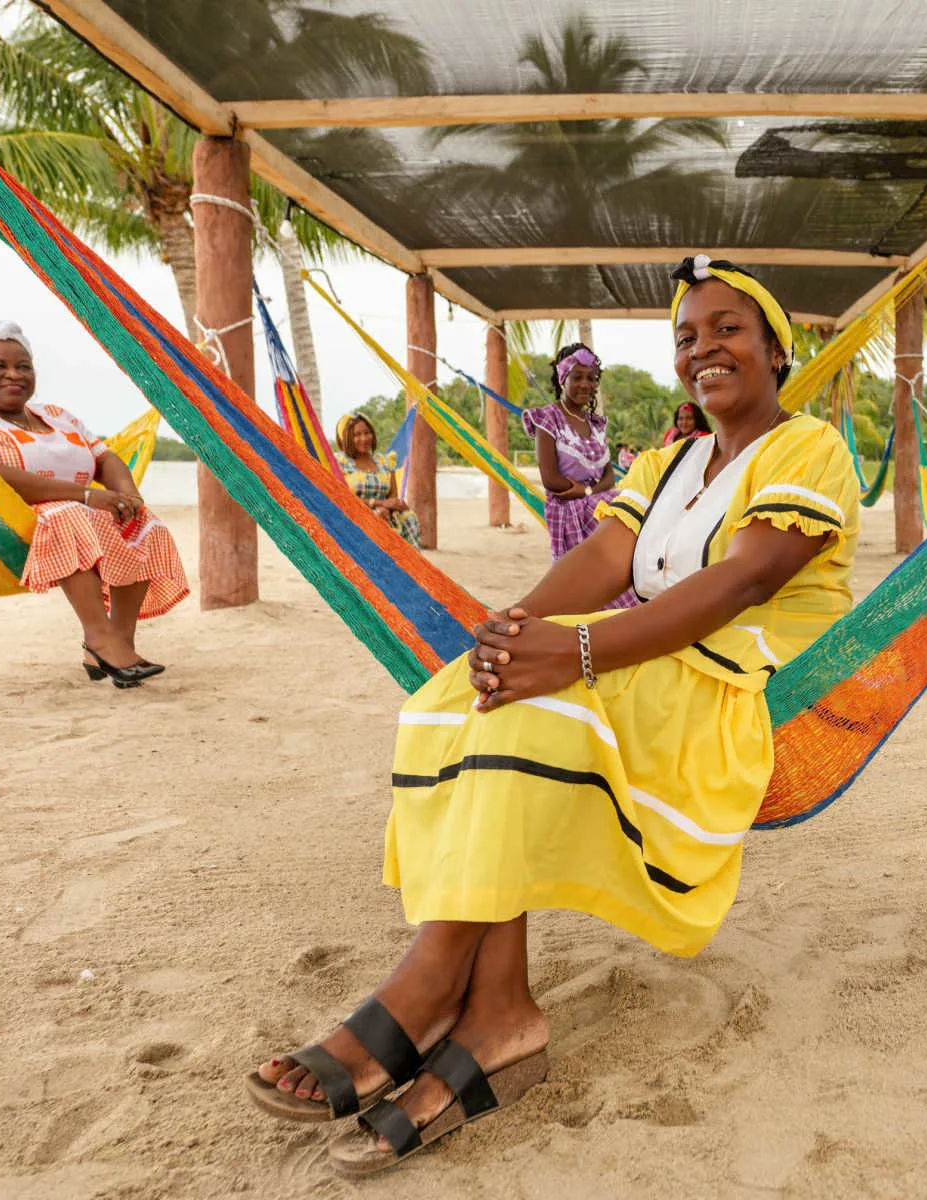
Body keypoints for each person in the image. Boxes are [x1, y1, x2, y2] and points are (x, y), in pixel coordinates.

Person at [246, 255, 860, 1176]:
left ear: (777, 350)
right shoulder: (670, 459)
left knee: (537, 711)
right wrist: (514, 633)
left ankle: (425, 989)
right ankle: (497, 1014)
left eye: (728, 328)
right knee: (473, 696)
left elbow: (746, 579)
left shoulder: (807, 448)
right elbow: (607, 562)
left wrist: (569, 653)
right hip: (653, 655)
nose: (704, 349)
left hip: (744, 678)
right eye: (687, 337)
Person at [0, 320, 187, 687]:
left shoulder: (57, 416)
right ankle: (99, 638)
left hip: (83, 516)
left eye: (23, 366)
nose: (14, 374)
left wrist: (129, 497)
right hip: (14, 525)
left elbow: (107, 459)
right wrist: (87, 496)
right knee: (68, 513)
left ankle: (119, 644)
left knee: (143, 523)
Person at [521, 343, 634, 609]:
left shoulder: (594, 423)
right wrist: (591, 494)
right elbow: (550, 479)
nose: (585, 384)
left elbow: (608, 473)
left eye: (591, 378)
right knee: (587, 582)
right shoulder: (547, 419)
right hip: (569, 513)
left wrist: (586, 492)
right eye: (577, 377)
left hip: (597, 503)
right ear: (563, 379)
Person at [336, 413, 422, 549]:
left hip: (384, 514)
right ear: (346, 438)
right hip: (353, 517)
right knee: (376, 520)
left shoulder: (384, 461)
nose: (364, 439)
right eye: (356, 435)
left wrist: (387, 507)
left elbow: (392, 496)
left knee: (408, 516)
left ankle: (411, 566)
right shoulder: (338, 462)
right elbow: (339, 497)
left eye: (367, 432)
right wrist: (378, 504)